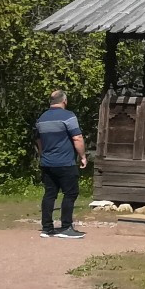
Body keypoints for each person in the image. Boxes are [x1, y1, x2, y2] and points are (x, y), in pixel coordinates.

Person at [33, 89, 87, 238]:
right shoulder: (68, 116)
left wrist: (42, 154)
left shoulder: (42, 118)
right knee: (70, 193)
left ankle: (47, 228)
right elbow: (77, 138)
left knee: (50, 194)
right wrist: (83, 156)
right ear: (64, 101)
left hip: (47, 162)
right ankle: (66, 227)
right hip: (65, 162)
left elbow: (38, 140)